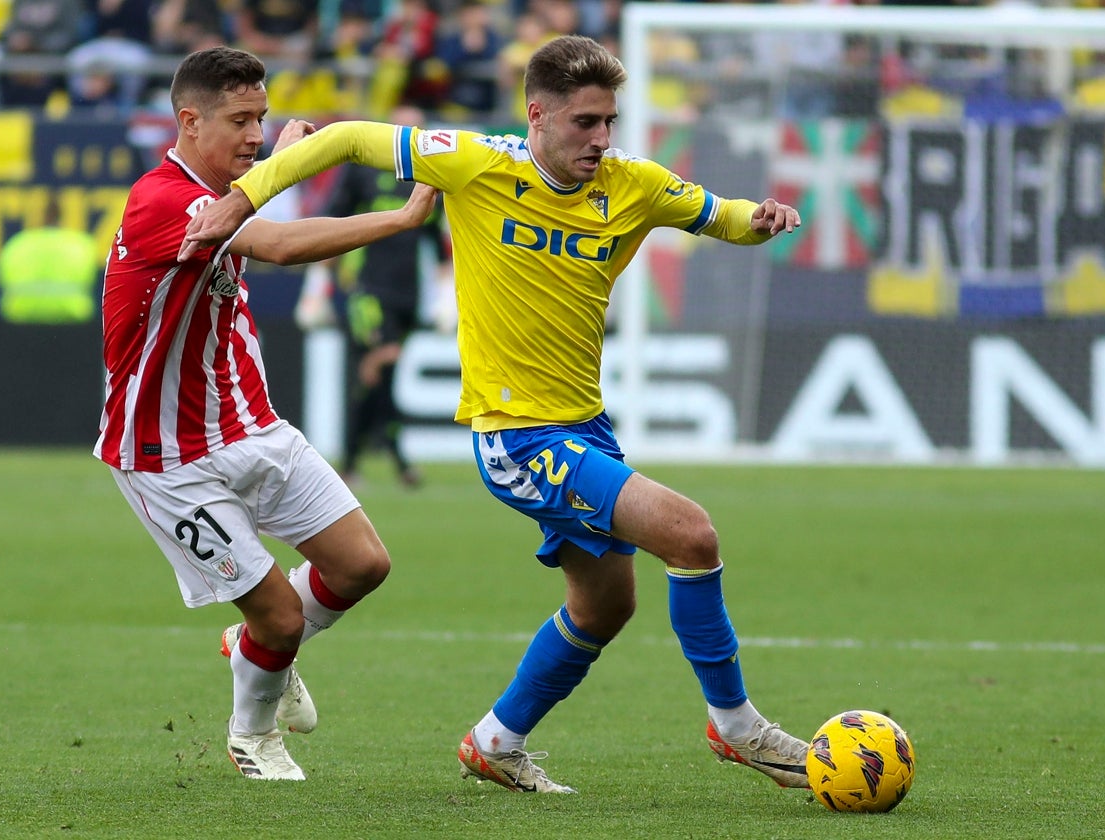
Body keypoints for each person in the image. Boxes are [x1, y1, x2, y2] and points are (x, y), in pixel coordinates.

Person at [178, 34, 810, 794]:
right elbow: (345, 138)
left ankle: (495, 741)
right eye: (584, 122)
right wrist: (241, 199)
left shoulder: (633, 184)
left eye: (609, 121)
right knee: (690, 531)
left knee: (606, 604)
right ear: (537, 115)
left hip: (586, 428)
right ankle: (737, 726)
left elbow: (720, 215)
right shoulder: (477, 162)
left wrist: (760, 217)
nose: (601, 139)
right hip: (517, 436)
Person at [94, 45, 439, 781]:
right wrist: (400, 217)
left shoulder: (223, 183)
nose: (256, 135)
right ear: (189, 122)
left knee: (362, 565)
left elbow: (250, 195)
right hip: (167, 457)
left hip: (252, 425)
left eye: (263, 118)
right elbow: (275, 244)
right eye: (241, 120)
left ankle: (249, 645)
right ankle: (253, 736)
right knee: (281, 616)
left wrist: (279, 158)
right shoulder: (162, 199)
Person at [313, 103, 450, 488]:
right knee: (381, 364)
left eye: (418, 131)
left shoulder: (430, 177)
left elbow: (437, 245)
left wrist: (444, 298)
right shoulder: (363, 171)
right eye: (404, 131)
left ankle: (352, 462)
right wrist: (316, 289)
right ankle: (399, 462)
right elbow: (332, 225)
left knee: (377, 378)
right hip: (368, 291)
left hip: (408, 294)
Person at [0, 195, 101, 324]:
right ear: (61, 216)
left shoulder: (17, 244)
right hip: (71, 323)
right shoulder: (81, 245)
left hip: (21, 323)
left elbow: (1, 279)